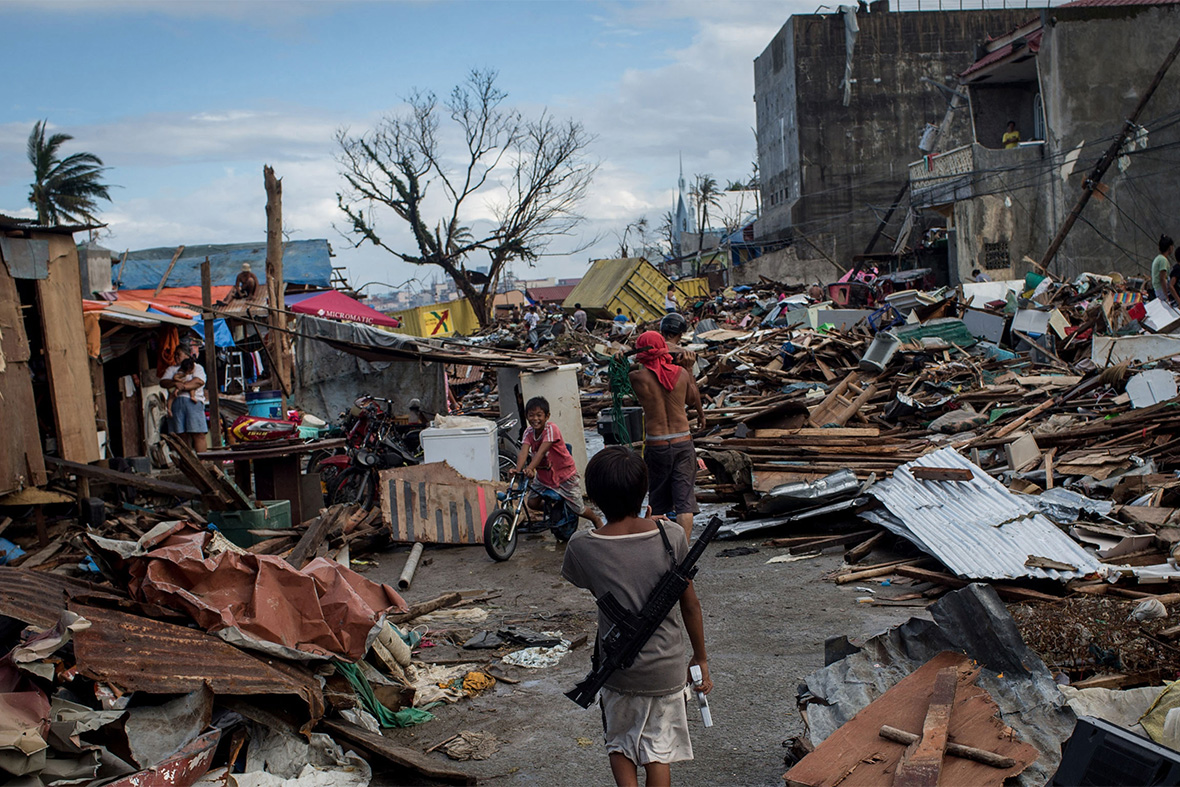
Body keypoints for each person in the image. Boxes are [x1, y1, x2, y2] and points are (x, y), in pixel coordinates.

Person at [561, 446, 711, 787]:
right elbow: (691, 605)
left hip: (618, 671)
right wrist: (700, 657)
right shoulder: (671, 536)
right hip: (666, 670)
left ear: (594, 496)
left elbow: (586, 579)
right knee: (658, 752)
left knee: (620, 744)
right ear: (644, 491)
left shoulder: (582, 547)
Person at [629, 331, 705, 540]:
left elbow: (614, 384)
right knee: (684, 503)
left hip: (657, 444)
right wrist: (689, 369)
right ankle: (684, 555)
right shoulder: (681, 373)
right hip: (683, 441)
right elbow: (692, 398)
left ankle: (660, 550)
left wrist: (621, 358)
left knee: (658, 503)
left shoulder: (636, 377)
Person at [515, 396, 602, 532]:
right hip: (544, 476)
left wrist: (530, 468)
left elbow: (541, 453)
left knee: (578, 508)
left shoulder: (551, 429)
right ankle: (555, 511)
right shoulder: (528, 432)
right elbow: (524, 451)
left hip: (564, 475)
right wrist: (517, 469)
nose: (535, 419)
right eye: (531, 415)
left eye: (539, 415)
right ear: (526, 416)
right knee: (532, 503)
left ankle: (596, 519)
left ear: (547, 416)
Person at [160, 342, 208, 452]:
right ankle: (188, 461)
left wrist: (181, 387)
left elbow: (198, 381)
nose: (176, 357)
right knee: (181, 434)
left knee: (198, 433)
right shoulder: (172, 369)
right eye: (175, 354)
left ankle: (202, 461)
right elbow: (163, 382)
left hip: (194, 402)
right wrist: (174, 383)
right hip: (176, 403)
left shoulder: (196, 367)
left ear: (187, 355)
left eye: (179, 354)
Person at [1153, 235, 1175, 302]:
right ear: (1170, 247)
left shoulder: (1159, 258)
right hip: (1161, 290)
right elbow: (1162, 278)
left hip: (1158, 289)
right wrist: (1166, 294)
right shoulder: (1163, 260)